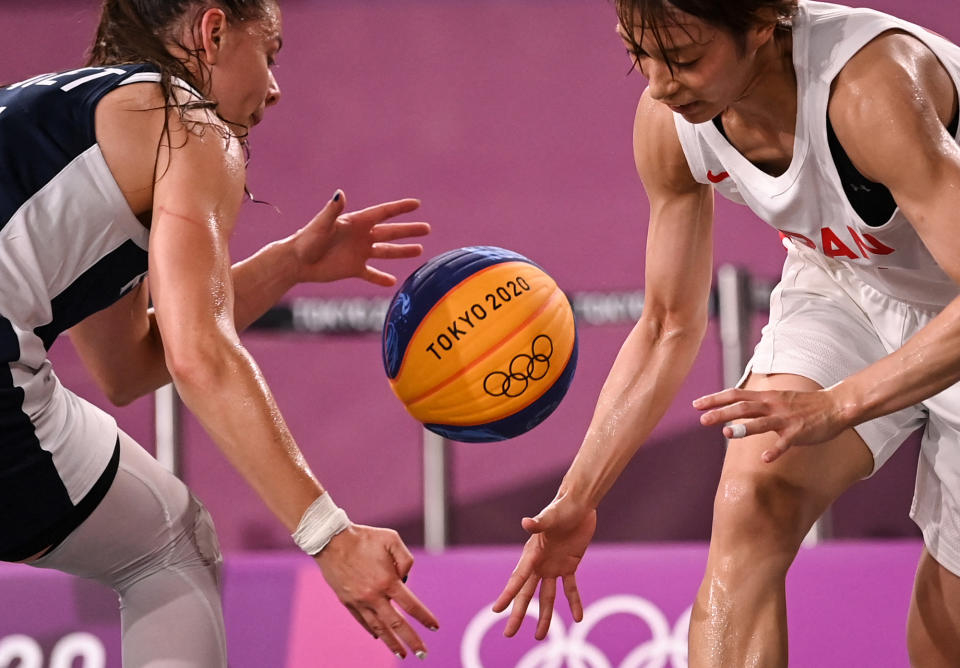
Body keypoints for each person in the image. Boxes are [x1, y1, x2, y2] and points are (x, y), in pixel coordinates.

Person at [493, 0, 960, 665]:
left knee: (946, 639)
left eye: (683, 58)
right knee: (751, 500)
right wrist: (578, 496)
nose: (659, 84)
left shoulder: (868, 90)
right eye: (638, 56)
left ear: (765, 23)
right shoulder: (668, 124)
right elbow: (665, 326)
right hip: (848, 281)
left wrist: (841, 403)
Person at [0, 0, 440, 664]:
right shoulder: (190, 125)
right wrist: (329, 533)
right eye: (270, 53)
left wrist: (287, 263)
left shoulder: (69, 132)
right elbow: (198, 355)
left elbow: (129, 367)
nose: (274, 88)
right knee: (168, 548)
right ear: (213, 31)